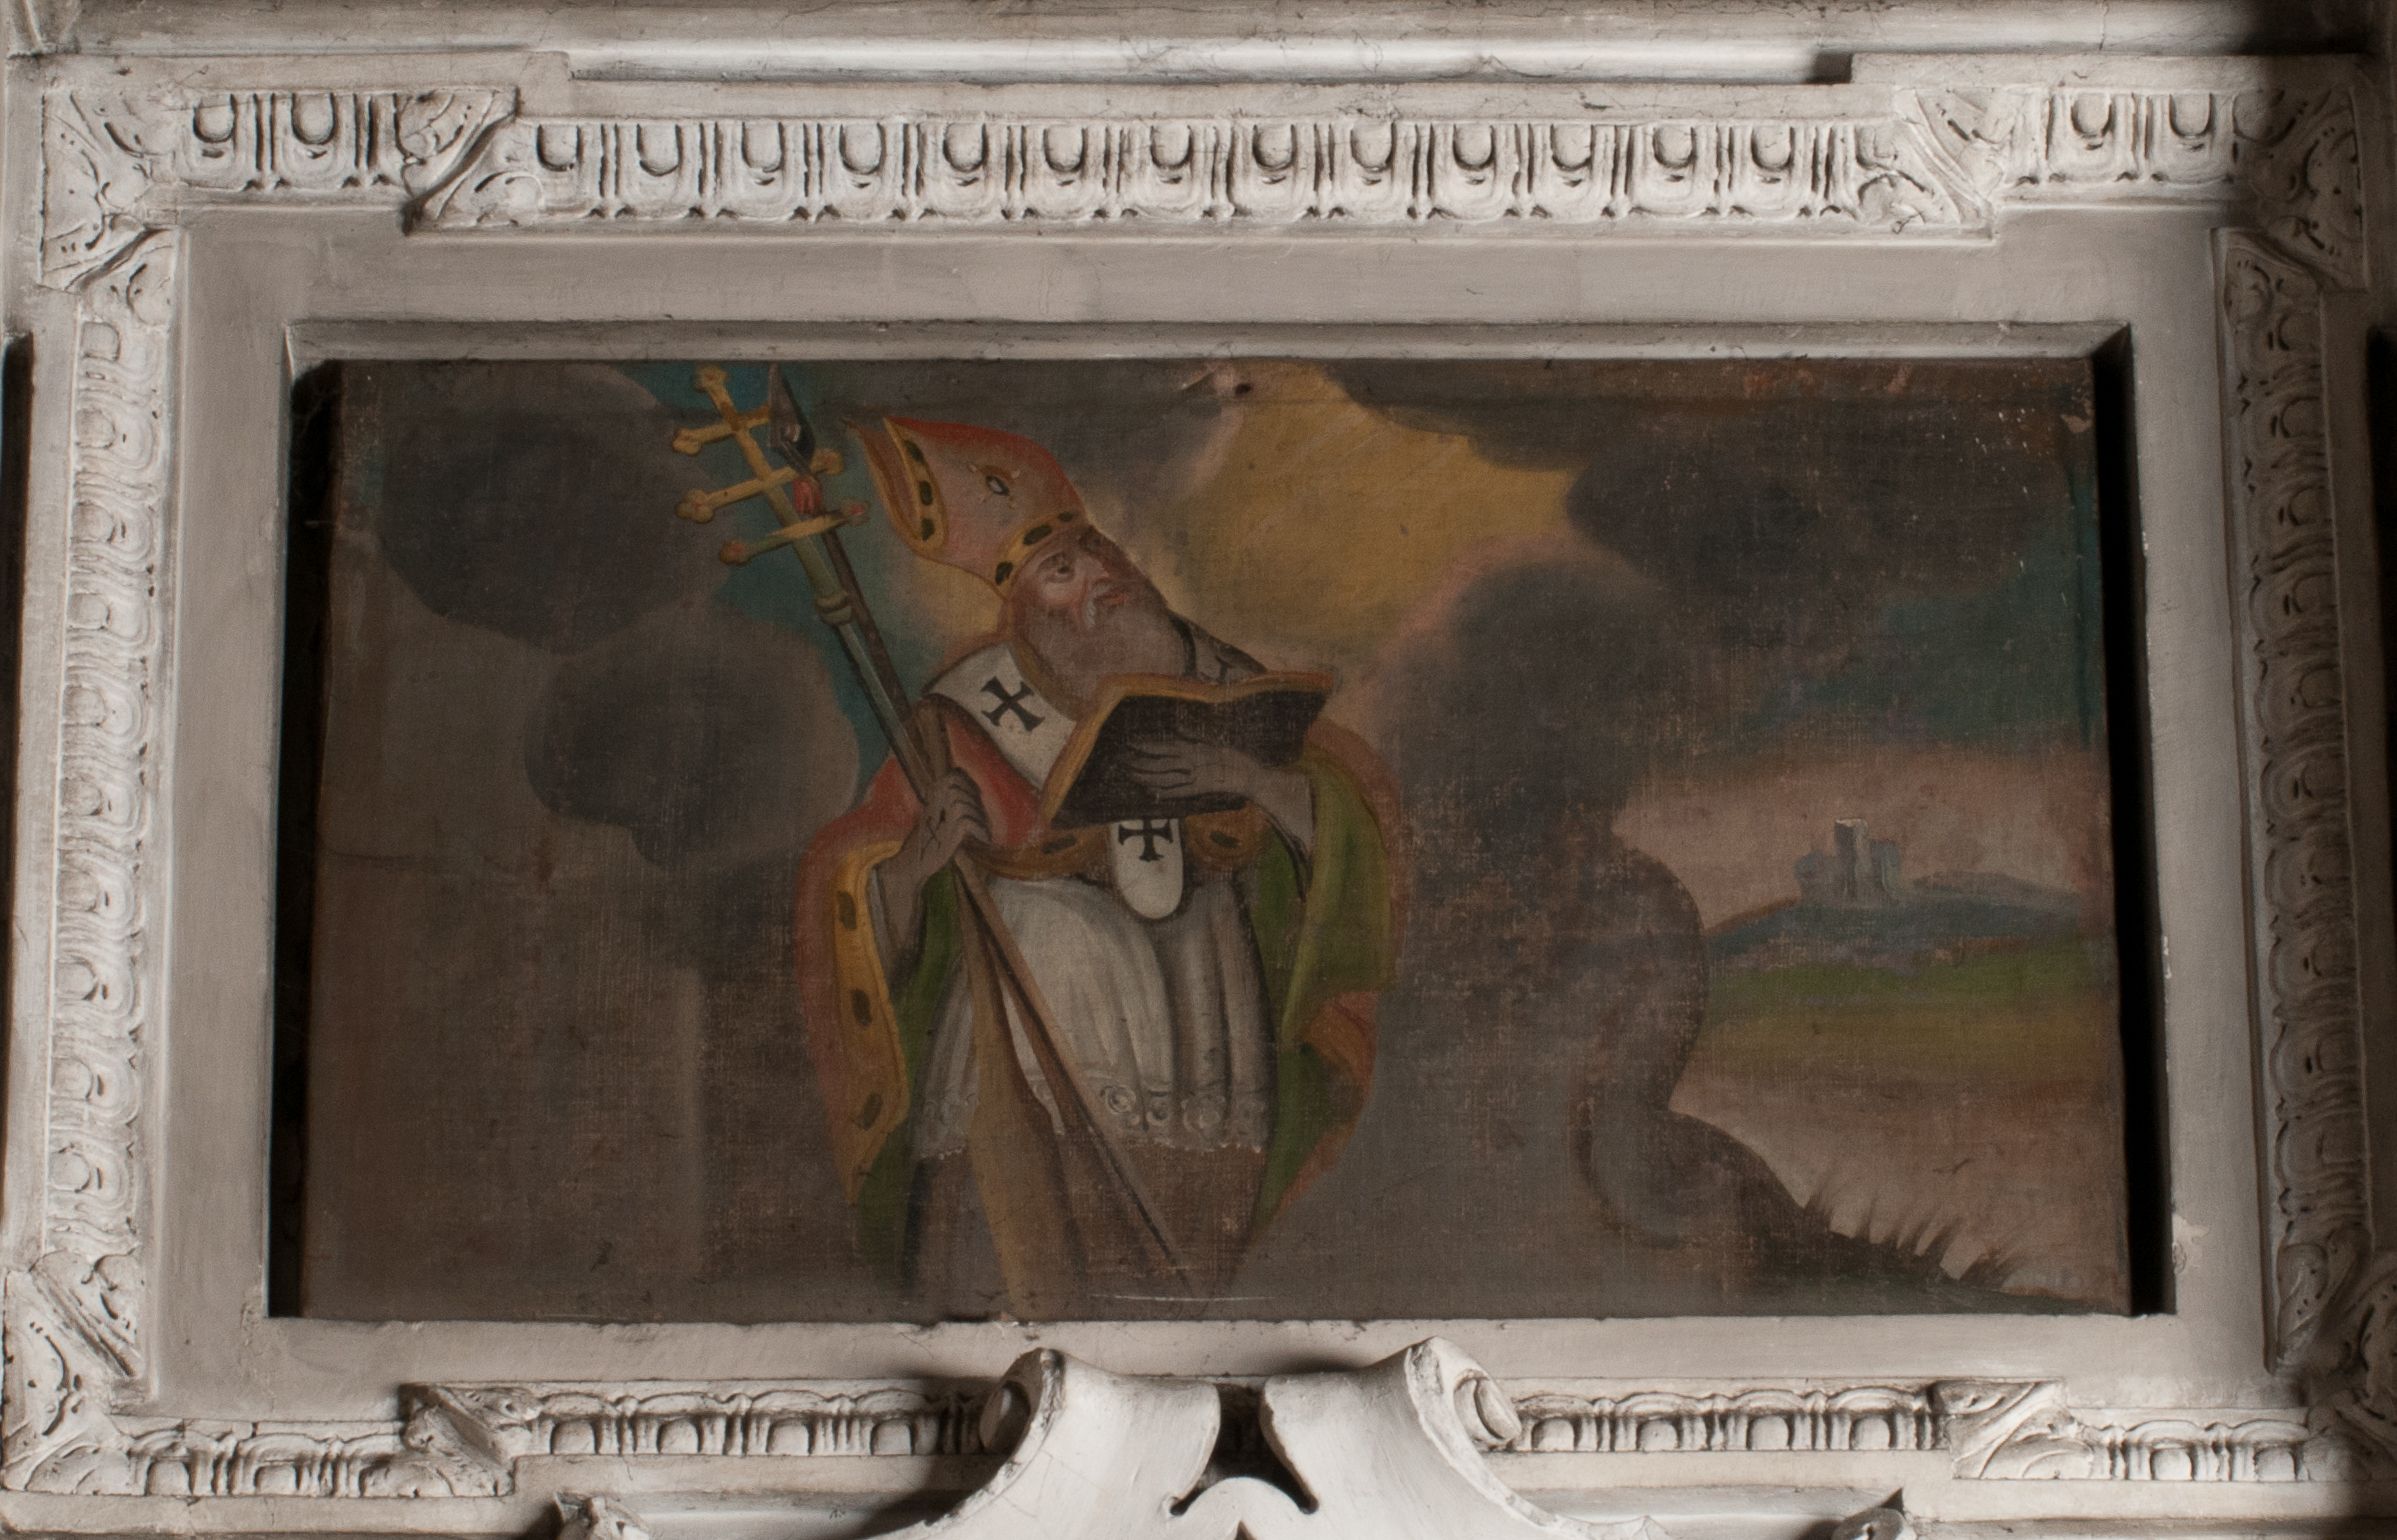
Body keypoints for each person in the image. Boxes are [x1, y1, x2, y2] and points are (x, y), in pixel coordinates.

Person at [796, 415, 1397, 1313]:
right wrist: (913, 868)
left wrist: (1250, 781)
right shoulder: (964, 714)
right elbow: (861, 894)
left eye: (1098, 553)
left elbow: (1336, 834)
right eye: (1061, 572)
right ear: (1027, 613)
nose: (1100, 578)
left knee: (1191, 1253)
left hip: (1207, 1010)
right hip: (1037, 1022)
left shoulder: (1227, 682)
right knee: (1021, 1245)